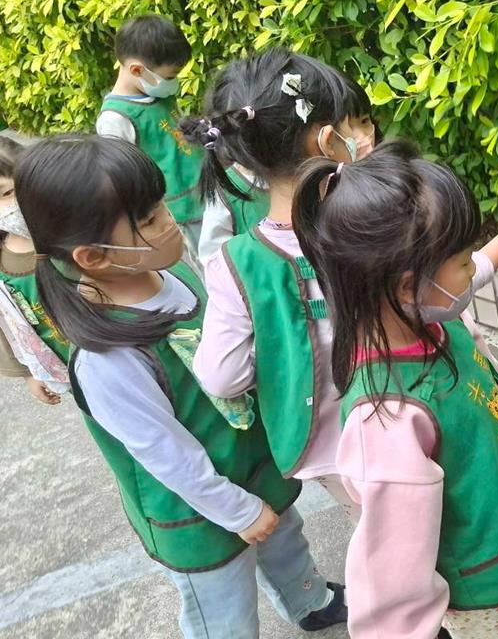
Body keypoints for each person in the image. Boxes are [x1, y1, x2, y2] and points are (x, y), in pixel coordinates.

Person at [15, 135, 346, 639]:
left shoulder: (168, 272)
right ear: (94, 256)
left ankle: (310, 600)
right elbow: (166, 454)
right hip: (198, 509)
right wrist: (236, 510)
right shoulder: (107, 359)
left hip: (248, 465)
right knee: (224, 609)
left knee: (286, 539)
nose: (170, 221)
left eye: (160, 206)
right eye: (149, 220)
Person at [184, 49, 498, 493]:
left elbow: (223, 377)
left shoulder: (235, 264)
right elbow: (449, 292)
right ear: (326, 140)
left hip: (333, 455)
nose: (368, 132)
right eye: (354, 123)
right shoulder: (382, 220)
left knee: (390, 528)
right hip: (429, 414)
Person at [293, 141, 498, 639]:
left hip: (491, 512)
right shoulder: (387, 418)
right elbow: (392, 572)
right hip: (476, 580)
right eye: (462, 260)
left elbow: (462, 280)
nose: (473, 268)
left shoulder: (423, 315)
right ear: (407, 285)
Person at [95, 15, 203, 246]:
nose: (174, 83)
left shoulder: (157, 93)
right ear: (137, 70)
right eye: (169, 77)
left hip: (204, 190)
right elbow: (123, 178)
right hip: (181, 209)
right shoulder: (116, 119)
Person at [0, 135, 69, 403]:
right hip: (70, 370)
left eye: (8, 192)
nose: (12, 204)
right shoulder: (4, 265)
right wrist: (29, 372)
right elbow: (6, 326)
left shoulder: (73, 233)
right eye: (4, 196)